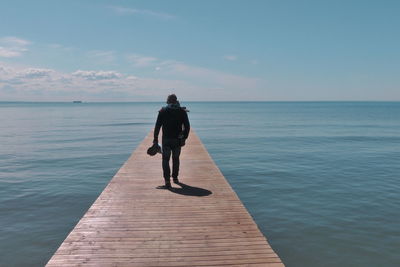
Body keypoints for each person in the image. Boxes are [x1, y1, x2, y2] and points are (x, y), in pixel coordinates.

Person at [153, 94, 190, 189]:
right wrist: (184, 137)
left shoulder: (163, 111)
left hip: (166, 140)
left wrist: (155, 140)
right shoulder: (182, 112)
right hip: (177, 140)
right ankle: (175, 178)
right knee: (176, 159)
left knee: (165, 160)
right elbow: (187, 127)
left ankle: (167, 182)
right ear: (176, 100)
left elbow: (157, 127)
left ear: (168, 101)